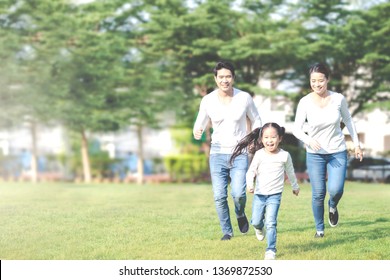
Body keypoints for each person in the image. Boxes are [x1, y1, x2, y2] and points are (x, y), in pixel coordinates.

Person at [193, 61, 262, 241]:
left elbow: (256, 120)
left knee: (238, 193)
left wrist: (253, 137)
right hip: (217, 153)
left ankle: (240, 213)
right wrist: (197, 130)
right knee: (219, 196)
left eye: (228, 76)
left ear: (233, 78)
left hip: (238, 153)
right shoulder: (208, 100)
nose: (225, 80)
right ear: (215, 79)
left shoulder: (244, 97)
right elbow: (199, 121)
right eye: (221, 77)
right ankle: (227, 231)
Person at [293, 63, 363, 238]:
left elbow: (348, 121)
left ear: (327, 79)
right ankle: (319, 229)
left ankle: (332, 206)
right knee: (318, 194)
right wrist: (308, 139)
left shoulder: (339, 99)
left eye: (320, 80)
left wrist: (357, 144)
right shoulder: (305, 102)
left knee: (336, 189)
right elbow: (296, 129)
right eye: (313, 81)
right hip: (315, 154)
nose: (317, 84)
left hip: (337, 151)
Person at [231, 122, 300, 260]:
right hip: (259, 195)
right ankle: (258, 227)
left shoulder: (284, 155)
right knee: (256, 221)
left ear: (279, 138)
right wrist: (250, 184)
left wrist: (295, 186)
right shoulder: (259, 154)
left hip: (275, 195)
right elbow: (251, 171)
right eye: (266, 137)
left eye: (273, 137)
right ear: (262, 139)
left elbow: (290, 172)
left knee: (271, 222)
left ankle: (270, 250)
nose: (270, 140)